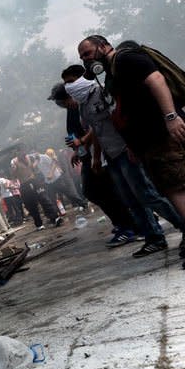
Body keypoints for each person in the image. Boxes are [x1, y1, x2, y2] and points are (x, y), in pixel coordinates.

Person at [78, 36, 185, 268]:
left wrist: (171, 118)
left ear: (104, 46)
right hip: (148, 141)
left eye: (88, 53)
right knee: (182, 186)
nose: (86, 59)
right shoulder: (114, 72)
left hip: (161, 134)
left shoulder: (126, 59)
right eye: (82, 57)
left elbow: (157, 80)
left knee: (179, 188)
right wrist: (133, 145)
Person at [51, 70, 185, 256]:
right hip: (111, 156)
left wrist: (131, 145)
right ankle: (154, 238)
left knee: (148, 195)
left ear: (81, 78)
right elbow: (98, 132)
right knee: (131, 200)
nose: (68, 86)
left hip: (125, 151)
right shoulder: (83, 105)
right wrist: (95, 158)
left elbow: (122, 120)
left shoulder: (102, 93)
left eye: (71, 81)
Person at [49, 66, 138, 247]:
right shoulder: (73, 109)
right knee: (101, 191)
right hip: (88, 154)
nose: (62, 105)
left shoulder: (82, 103)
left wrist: (83, 144)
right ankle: (126, 223)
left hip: (98, 154)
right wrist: (77, 150)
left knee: (98, 191)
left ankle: (127, 226)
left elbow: (94, 129)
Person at [10, 145, 62, 230]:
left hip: (34, 182)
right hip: (24, 185)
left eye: (23, 150)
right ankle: (39, 224)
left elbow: (34, 164)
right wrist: (14, 170)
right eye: (20, 151)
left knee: (44, 199)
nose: (23, 153)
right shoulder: (13, 161)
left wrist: (36, 162)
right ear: (17, 153)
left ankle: (55, 217)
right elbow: (13, 176)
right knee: (31, 205)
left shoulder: (30, 157)